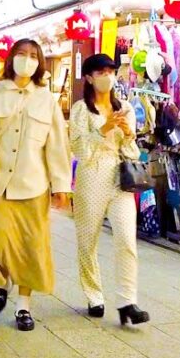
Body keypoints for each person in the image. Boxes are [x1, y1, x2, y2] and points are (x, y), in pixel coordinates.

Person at [0, 38, 72, 332]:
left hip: (34, 186)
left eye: (33, 56)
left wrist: (60, 185)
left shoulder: (46, 99)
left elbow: (56, 145)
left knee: (31, 247)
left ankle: (23, 306)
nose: (26, 60)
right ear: (11, 58)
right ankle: (3, 283)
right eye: (21, 54)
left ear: (40, 63)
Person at [70, 54, 149, 326]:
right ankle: (94, 295)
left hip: (119, 178)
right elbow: (78, 150)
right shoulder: (81, 109)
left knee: (127, 239)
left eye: (111, 71)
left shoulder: (125, 107)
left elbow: (132, 151)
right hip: (91, 178)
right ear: (89, 77)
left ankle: (128, 301)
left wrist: (127, 134)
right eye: (100, 72)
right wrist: (103, 129)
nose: (107, 76)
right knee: (87, 240)